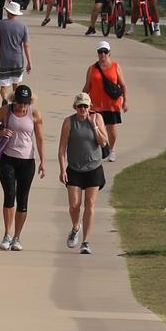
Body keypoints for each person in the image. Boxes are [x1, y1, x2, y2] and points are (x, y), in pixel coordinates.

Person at [0, 84, 45, 252]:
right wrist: (0, 132)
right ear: (14, 100)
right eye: (20, 102)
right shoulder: (6, 111)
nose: (22, 106)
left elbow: (40, 138)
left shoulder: (34, 114)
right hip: (8, 159)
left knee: (23, 199)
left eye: (25, 103)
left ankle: (17, 237)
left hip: (27, 161)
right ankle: (7, 234)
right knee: (9, 195)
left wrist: (43, 161)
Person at [58, 92, 109, 254]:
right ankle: (75, 227)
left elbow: (103, 142)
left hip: (94, 168)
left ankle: (86, 241)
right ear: (75, 107)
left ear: (90, 107)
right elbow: (62, 149)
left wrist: (93, 125)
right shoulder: (69, 122)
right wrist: (62, 169)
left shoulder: (97, 118)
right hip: (74, 168)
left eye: (85, 106)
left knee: (90, 204)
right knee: (74, 205)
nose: (82, 109)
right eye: (80, 106)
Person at [83, 40, 126, 162]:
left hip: (112, 104)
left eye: (105, 52)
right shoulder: (92, 68)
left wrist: (125, 101)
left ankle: (111, 150)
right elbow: (87, 86)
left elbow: (123, 85)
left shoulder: (115, 67)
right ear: (97, 53)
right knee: (94, 128)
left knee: (111, 128)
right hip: (95, 104)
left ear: (109, 53)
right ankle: (99, 150)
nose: (103, 55)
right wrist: (81, 99)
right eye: (100, 52)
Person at [0, 1, 32, 104]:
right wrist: (29, 62)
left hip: (4, 60)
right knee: (16, 83)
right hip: (18, 60)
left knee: (3, 85)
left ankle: (4, 99)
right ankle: (15, 101)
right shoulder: (23, 27)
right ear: (17, 13)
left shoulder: (0, 24)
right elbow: (26, 45)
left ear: (8, 12)